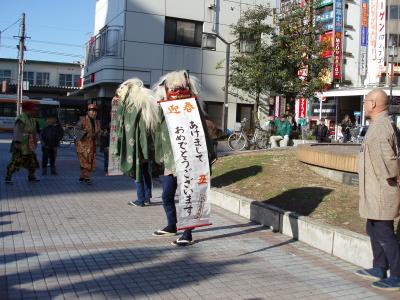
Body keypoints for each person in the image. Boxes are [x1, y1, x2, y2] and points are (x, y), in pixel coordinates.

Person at [152, 70, 216, 246]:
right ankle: (172, 225)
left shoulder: (193, 111)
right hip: (172, 160)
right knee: (166, 195)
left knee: (189, 195)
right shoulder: (164, 109)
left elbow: (202, 136)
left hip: (190, 161)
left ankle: (187, 233)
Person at [354, 89, 400, 291]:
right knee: (373, 228)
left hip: (382, 191)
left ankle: (397, 275)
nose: (364, 105)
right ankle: (379, 267)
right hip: (374, 190)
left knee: (384, 232)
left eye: (365, 102)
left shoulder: (380, 128)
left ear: (373, 104)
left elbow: (389, 165)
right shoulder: (377, 125)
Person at [112, 78, 159, 207]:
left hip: (136, 144)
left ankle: (140, 199)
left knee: (138, 170)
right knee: (144, 170)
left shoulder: (131, 104)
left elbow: (125, 123)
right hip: (146, 143)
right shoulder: (145, 100)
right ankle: (147, 196)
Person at [5, 101, 40, 183]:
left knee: (32, 161)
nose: (34, 111)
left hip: (29, 144)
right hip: (20, 143)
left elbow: (34, 131)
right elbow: (17, 131)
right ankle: (8, 176)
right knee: (16, 161)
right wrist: (17, 142)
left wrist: (35, 141)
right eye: (33, 110)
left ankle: (31, 176)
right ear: (27, 110)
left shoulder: (33, 120)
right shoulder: (21, 119)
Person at [75, 104, 101, 185]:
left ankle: (82, 176)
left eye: (95, 112)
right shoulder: (82, 120)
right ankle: (87, 177)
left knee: (90, 160)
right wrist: (85, 133)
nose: (94, 113)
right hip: (82, 145)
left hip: (92, 145)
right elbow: (76, 130)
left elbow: (98, 132)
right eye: (92, 111)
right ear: (88, 112)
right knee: (85, 161)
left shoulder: (97, 122)